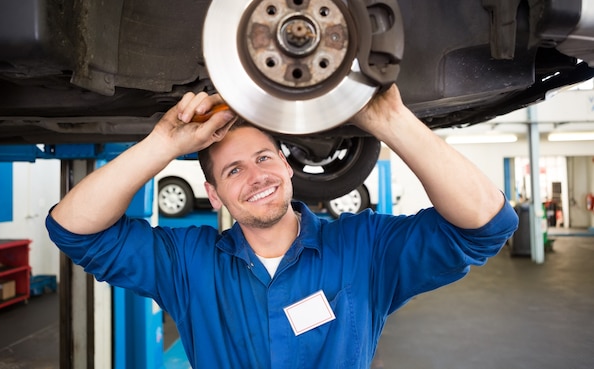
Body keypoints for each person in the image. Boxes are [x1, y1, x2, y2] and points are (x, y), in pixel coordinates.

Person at [46, 84, 518, 368]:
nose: (256, 178)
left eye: (264, 158)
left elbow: (485, 224)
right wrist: (164, 143)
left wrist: (391, 121)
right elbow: (74, 229)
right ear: (214, 194)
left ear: (288, 166)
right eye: (233, 171)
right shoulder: (187, 263)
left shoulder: (364, 247)